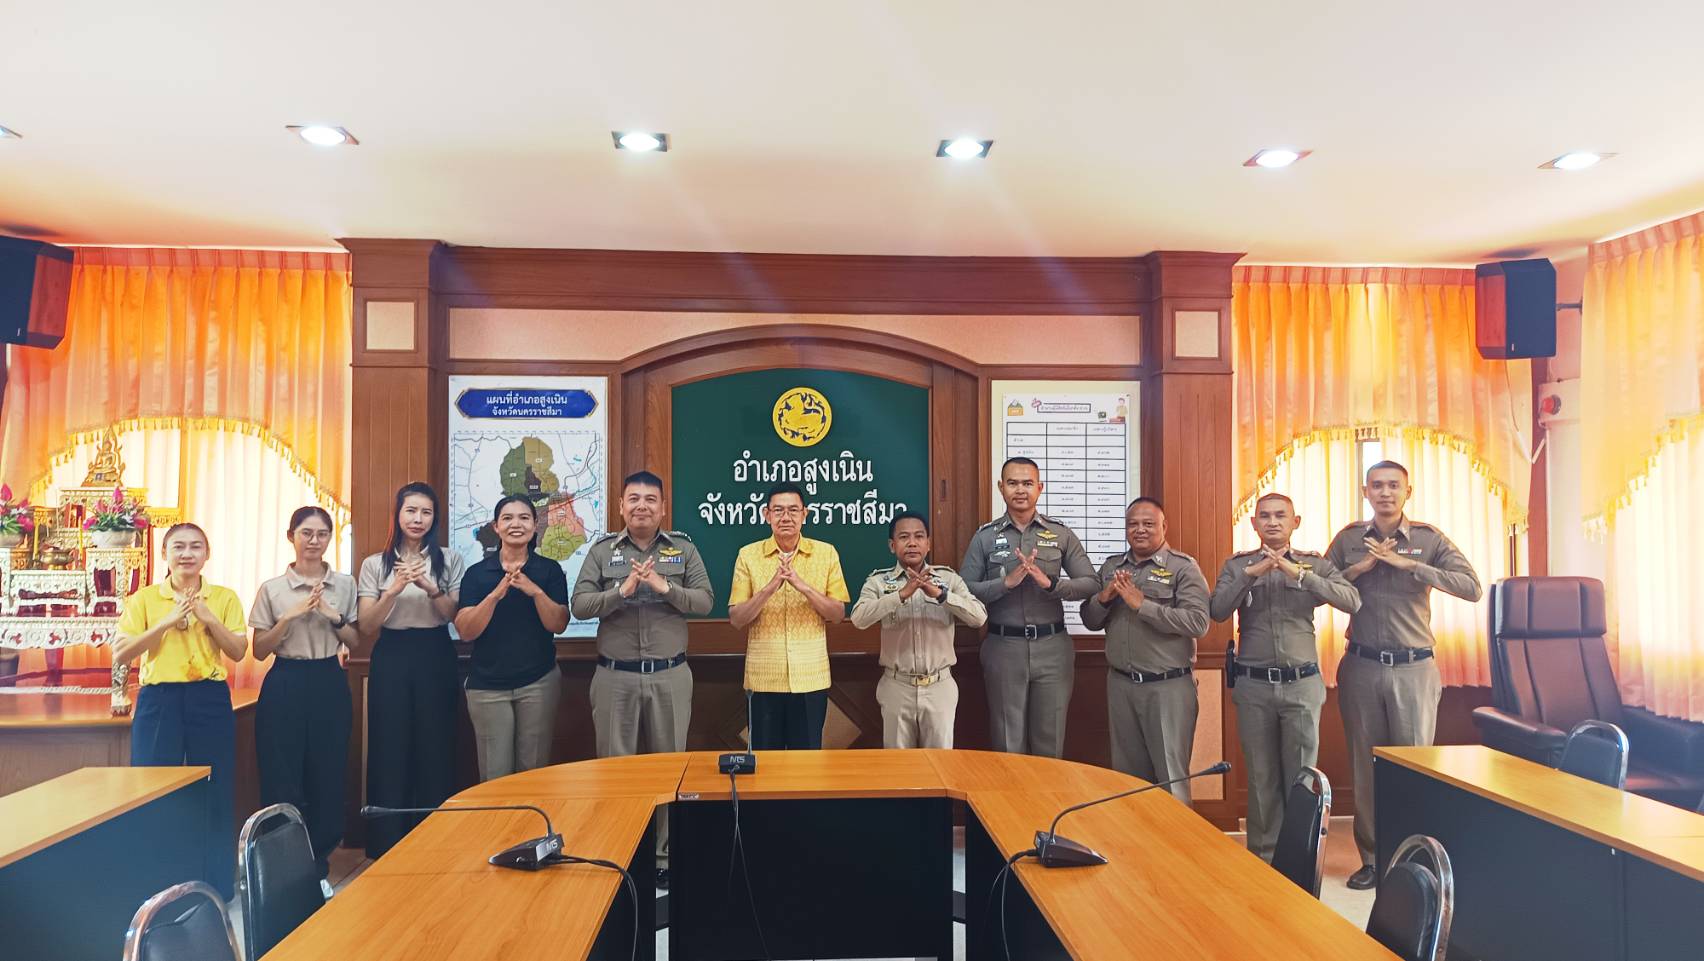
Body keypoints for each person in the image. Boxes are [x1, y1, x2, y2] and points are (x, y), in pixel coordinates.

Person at [1326, 461, 1482, 890]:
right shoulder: (1348, 540)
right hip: (1361, 666)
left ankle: (1412, 860)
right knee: (1366, 768)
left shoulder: (1428, 540)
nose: (1385, 493)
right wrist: (1358, 571)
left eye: (1394, 485)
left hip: (1413, 668)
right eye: (1377, 485)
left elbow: (1471, 587)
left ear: (1407, 492)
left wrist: (1409, 565)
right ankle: (1373, 860)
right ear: (1365, 491)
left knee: (1413, 768)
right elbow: (1321, 589)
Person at [572, 470, 713, 888]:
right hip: (615, 678)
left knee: (668, 771)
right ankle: (621, 850)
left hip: (670, 675)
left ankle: (663, 856)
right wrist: (623, 590)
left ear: (663, 507)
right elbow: (579, 605)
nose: (642, 506)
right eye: (633, 499)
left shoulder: (683, 549)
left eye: (651, 499)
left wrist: (665, 587)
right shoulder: (603, 551)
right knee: (615, 771)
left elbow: (705, 601)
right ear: (621, 506)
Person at [1209, 493, 1360, 862]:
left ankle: (1300, 859)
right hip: (1254, 685)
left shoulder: (1314, 563)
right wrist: (1250, 575)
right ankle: (1263, 858)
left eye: (1280, 515)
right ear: (1254, 523)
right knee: (1261, 778)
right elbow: (1217, 610)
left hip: (1301, 685)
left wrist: (1299, 574)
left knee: (1302, 777)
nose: (1272, 522)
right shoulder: (1238, 565)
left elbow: (1351, 600)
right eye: (1265, 516)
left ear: (1296, 522)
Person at [113, 522, 249, 898]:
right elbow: (122, 653)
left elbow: (238, 651)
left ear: (207, 554)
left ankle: (216, 885)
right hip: (159, 699)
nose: (187, 554)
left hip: (209, 697)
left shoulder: (223, 597)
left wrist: (208, 617)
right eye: (178, 547)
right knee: (154, 790)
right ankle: (156, 886)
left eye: (195, 547)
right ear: (164, 554)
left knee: (215, 789)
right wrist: (167, 621)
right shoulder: (144, 599)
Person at [960, 457, 1098, 757]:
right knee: (1007, 742)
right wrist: (1004, 584)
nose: (1020, 490)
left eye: (1027, 483)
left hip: (1053, 648)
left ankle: (1046, 792)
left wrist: (1051, 585)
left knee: (1050, 741)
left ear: (1040, 487)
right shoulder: (985, 537)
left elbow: (1091, 583)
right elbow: (963, 589)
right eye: (1012, 483)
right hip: (1003, 647)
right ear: (1001, 488)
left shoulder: (1060, 534)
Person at [250, 506, 359, 881]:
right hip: (286, 680)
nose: (314, 541)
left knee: (328, 768)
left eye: (322, 534)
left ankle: (320, 858)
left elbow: (355, 640)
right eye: (306, 533)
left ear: (330, 538)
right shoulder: (273, 588)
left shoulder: (344, 585)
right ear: (291, 536)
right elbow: (259, 650)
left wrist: (333, 616)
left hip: (329, 679)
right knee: (282, 771)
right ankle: (282, 858)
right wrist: (288, 617)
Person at [356, 482, 465, 857]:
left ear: (435, 518)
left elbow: (453, 616)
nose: (418, 519)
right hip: (392, 654)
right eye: (411, 511)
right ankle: (386, 841)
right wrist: (394, 589)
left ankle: (435, 840)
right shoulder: (375, 563)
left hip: (435, 652)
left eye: (426, 512)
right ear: (398, 515)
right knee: (389, 744)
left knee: (436, 744)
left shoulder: (449, 559)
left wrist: (429, 587)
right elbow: (366, 625)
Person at [1081, 498, 1210, 802]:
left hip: (1167, 687)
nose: (1139, 530)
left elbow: (1198, 623)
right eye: (1133, 524)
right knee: (1128, 782)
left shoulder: (1183, 568)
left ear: (1164, 527)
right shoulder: (1112, 567)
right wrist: (1104, 598)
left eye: (1148, 524)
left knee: (1170, 780)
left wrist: (1143, 606)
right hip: (1121, 685)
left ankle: (1174, 835)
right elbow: (1090, 620)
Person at [454, 495, 570, 781]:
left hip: (539, 682)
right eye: (507, 518)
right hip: (487, 687)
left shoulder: (549, 570)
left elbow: (558, 624)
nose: (516, 524)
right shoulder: (477, 574)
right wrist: (495, 595)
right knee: (495, 775)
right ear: (496, 527)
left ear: (535, 525)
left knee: (534, 772)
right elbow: (466, 631)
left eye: (524, 518)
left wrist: (535, 591)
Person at [727, 482, 849, 750]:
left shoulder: (826, 553)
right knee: (765, 763)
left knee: (806, 764)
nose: (786, 517)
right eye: (778, 510)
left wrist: (802, 586)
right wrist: (769, 588)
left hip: (811, 677)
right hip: (763, 678)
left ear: (805, 514)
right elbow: (736, 619)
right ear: (766, 515)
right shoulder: (748, 555)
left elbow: (838, 614)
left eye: (793, 510)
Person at [850, 511, 986, 748]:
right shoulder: (878, 582)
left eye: (919, 536)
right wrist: (901, 595)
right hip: (897, 686)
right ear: (892, 545)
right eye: (904, 537)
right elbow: (859, 619)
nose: (912, 543)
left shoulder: (948, 579)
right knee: (899, 765)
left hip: (939, 686)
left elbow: (979, 617)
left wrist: (941, 595)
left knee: (939, 763)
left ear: (928, 543)